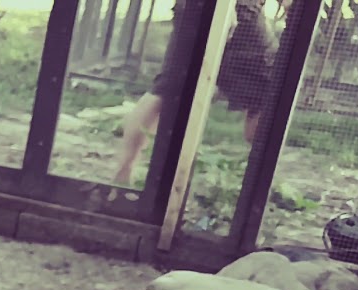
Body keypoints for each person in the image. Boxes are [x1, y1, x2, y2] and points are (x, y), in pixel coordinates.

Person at [112, 0, 279, 186]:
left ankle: (122, 175)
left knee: (168, 85)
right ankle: (255, 188)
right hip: (233, 7)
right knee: (273, 83)